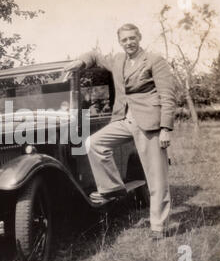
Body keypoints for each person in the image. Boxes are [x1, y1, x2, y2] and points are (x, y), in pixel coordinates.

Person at [65, 23, 176, 239]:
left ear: (140, 37)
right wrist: (81, 61)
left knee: (156, 177)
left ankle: (158, 226)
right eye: (124, 40)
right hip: (124, 118)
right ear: (120, 42)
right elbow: (95, 56)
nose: (129, 43)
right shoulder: (117, 60)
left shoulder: (154, 60)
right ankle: (112, 189)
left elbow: (167, 96)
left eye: (132, 38)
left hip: (150, 122)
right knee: (94, 143)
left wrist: (166, 128)